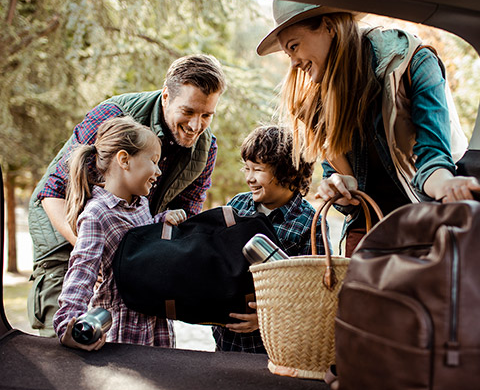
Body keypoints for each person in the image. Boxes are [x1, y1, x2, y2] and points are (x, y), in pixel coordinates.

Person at [257, 0, 480, 256]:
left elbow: (433, 160)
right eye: (288, 54)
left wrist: (448, 186)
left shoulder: (413, 62)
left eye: (294, 47)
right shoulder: (316, 106)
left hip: (425, 224)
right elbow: (345, 189)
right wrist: (338, 188)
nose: (294, 63)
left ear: (329, 27)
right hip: (368, 236)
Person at [28, 54, 226, 336]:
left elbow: (184, 222)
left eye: (207, 115)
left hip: (129, 250)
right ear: (166, 96)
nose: (196, 125)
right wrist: (95, 254)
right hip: (67, 236)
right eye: (189, 112)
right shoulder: (113, 114)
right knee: (64, 345)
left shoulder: (206, 150)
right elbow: (52, 192)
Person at [53, 115, 187, 351]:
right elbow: (81, 272)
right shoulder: (97, 214)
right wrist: (68, 325)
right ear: (124, 160)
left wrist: (160, 221)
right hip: (123, 329)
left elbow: (138, 241)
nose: (157, 171)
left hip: (154, 323)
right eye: (153, 161)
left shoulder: (140, 204)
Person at [212, 125, 329, 353]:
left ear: (290, 172)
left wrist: (265, 319)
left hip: (274, 346)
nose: (249, 178)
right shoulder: (237, 205)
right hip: (226, 341)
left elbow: (314, 293)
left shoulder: (310, 223)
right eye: (246, 168)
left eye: (258, 169)